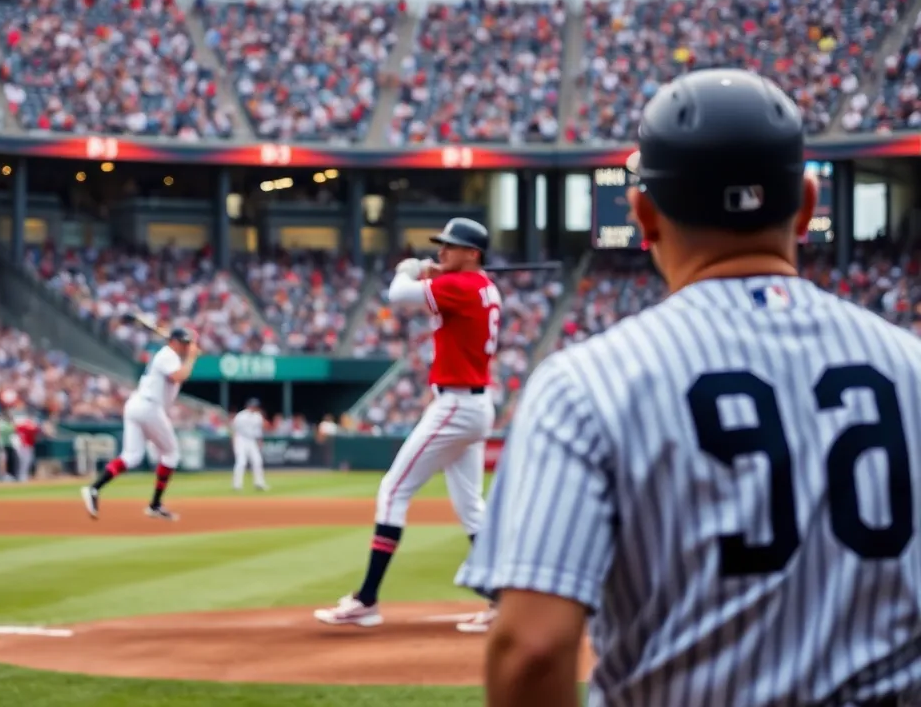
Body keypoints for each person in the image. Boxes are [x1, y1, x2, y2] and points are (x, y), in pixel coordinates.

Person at [459, 68, 921, 706]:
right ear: (808, 205)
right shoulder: (912, 367)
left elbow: (532, 651)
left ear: (643, 213)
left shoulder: (585, 385)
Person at [315, 219, 501, 629]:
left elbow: (397, 294)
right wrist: (437, 272)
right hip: (474, 404)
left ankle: (366, 600)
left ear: (472, 253)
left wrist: (414, 268)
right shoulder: (483, 286)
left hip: (456, 404)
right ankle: (503, 599)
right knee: (471, 507)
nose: (442, 252)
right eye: (441, 246)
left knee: (393, 490)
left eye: (451, 247)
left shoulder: (461, 285)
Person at [80, 327, 199, 521]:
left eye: (188, 344)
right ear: (174, 342)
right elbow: (180, 376)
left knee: (132, 456)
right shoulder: (168, 355)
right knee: (171, 454)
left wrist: (189, 356)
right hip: (149, 407)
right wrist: (192, 357)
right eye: (184, 343)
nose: (186, 347)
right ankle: (155, 505)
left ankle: (94, 488)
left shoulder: (168, 356)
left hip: (138, 405)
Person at [231, 397, 268, 491]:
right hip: (241, 439)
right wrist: (235, 443)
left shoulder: (258, 416)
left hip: (252, 440)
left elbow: (259, 432)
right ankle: (237, 485)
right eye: (252, 405)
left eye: (255, 406)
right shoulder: (241, 415)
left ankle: (259, 483)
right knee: (241, 462)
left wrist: (259, 443)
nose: (254, 407)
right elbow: (234, 430)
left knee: (257, 461)